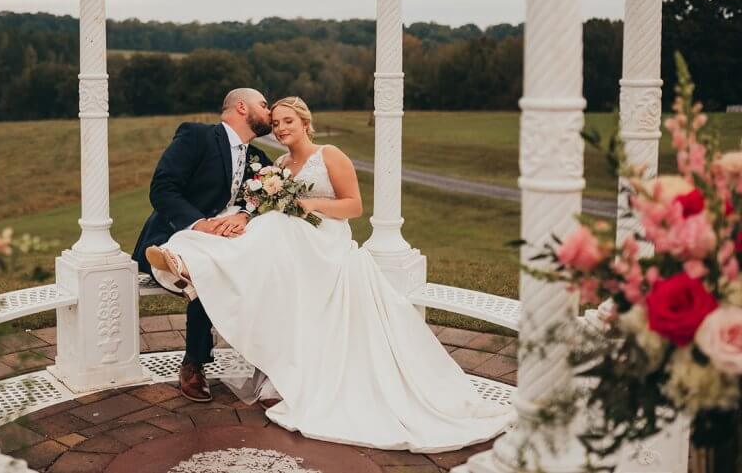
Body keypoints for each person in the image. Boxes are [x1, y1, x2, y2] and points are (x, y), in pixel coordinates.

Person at [145, 96, 514, 452]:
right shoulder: (277, 166)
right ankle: (187, 259)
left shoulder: (330, 155)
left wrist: (301, 204)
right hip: (294, 241)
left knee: (274, 227)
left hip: (326, 237)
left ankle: (197, 263)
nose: (280, 127)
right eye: (275, 123)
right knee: (258, 230)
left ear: (306, 123)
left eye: (287, 121)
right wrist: (251, 213)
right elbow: (255, 206)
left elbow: (353, 206)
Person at [132, 87, 274, 403]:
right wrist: (201, 224)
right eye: (264, 105)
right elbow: (163, 189)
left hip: (228, 244)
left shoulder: (259, 159)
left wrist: (244, 216)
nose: (270, 113)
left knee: (246, 263)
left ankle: (266, 357)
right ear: (241, 107)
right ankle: (193, 362)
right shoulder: (197, 136)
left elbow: (270, 198)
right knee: (212, 267)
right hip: (180, 232)